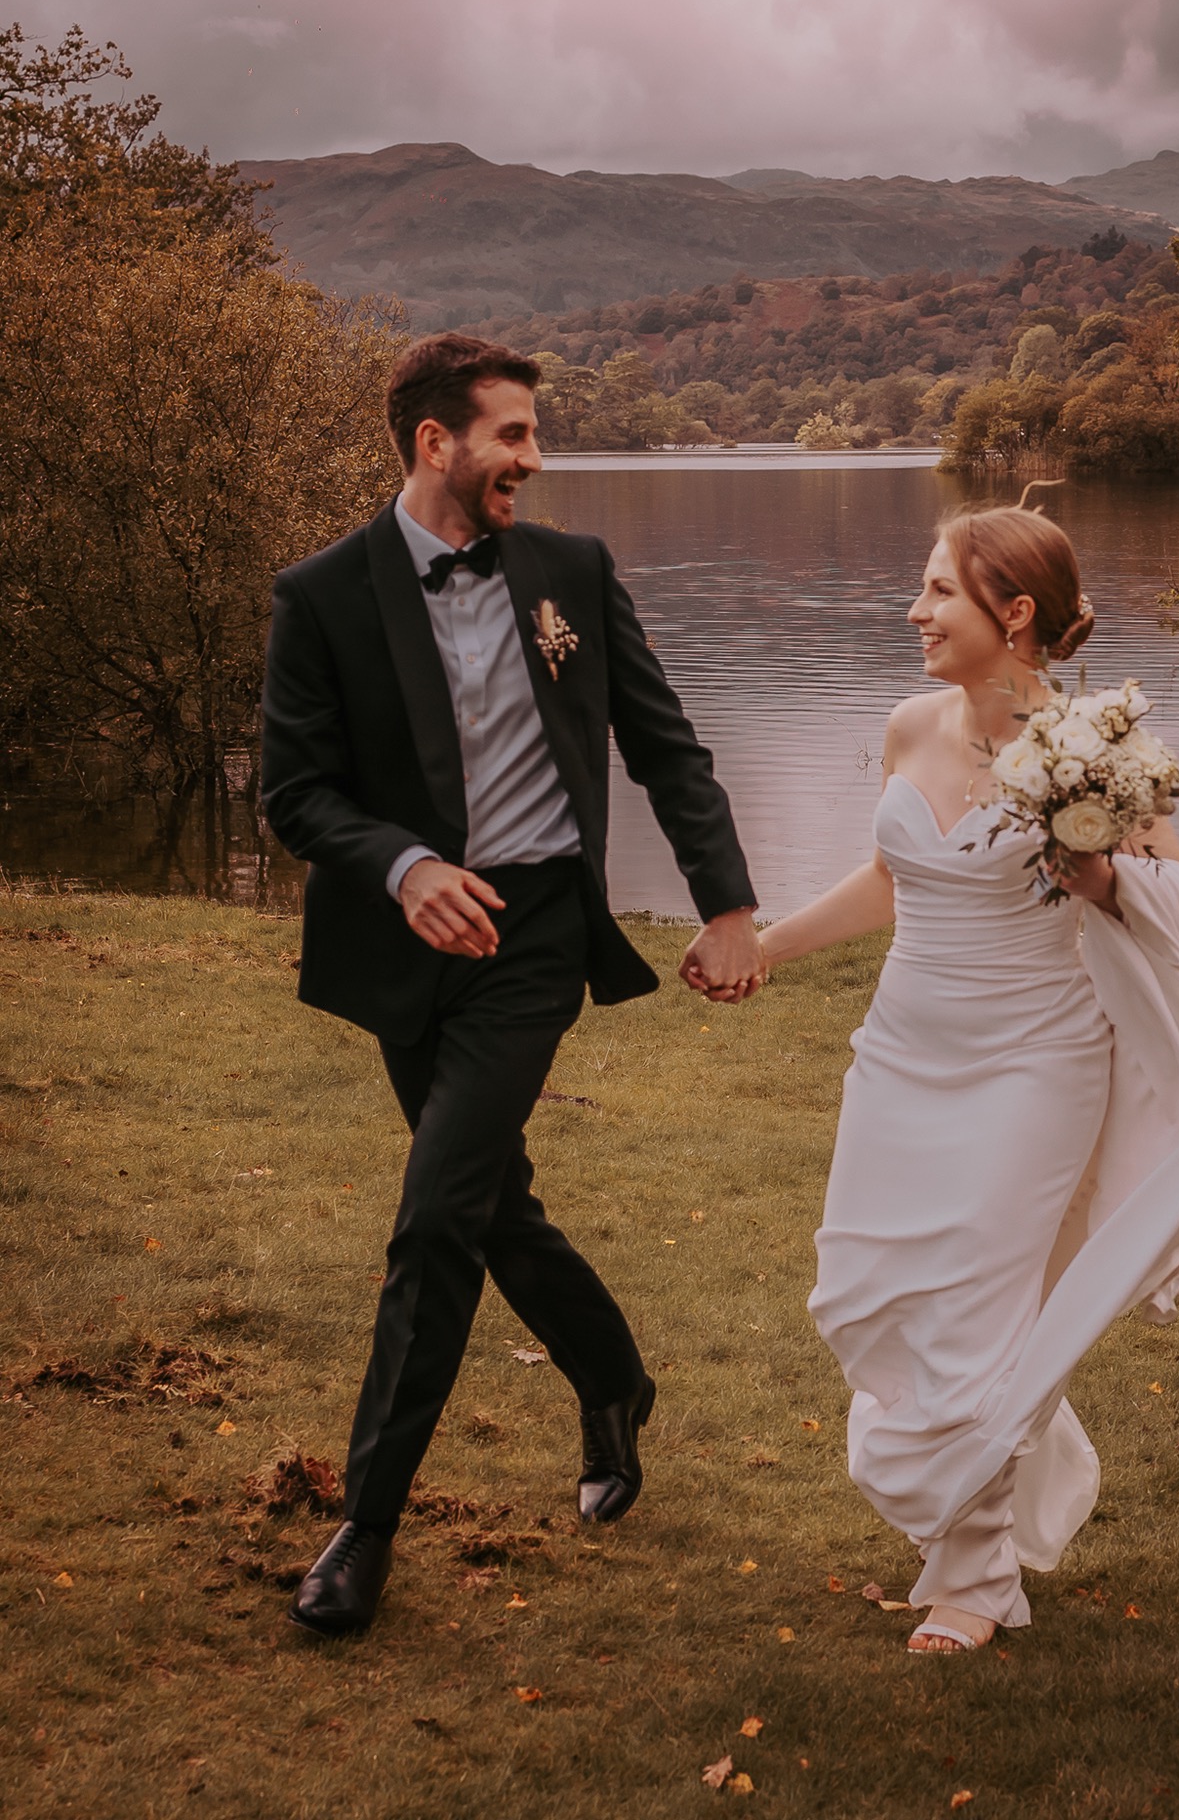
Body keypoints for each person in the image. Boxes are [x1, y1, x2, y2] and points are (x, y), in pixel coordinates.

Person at [261, 332, 764, 1637]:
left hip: (535, 933)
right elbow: (296, 794)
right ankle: (612, 1379)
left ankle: (364, 1529)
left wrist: (729, 906)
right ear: (437, 442)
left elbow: (666, 746)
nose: (534, 463)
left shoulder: (572, 576)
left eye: (536, 438)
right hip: (409, 940)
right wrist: (404, 864)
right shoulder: (321, 597)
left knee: (435, 1216)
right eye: (514, 437)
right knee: (489, 1209)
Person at [757, 498, 1179, 1653]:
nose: (915, 607)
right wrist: (764, 946)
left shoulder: (1101, 751)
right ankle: (965, 1519)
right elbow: (893, 879)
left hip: (1035, 1062)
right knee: (876, 1287)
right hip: (901, 1053)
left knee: (977, 1308)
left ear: (1013, 611)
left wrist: (1100, 878)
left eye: (937, 589)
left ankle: (973, 1577)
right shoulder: (908, 727)